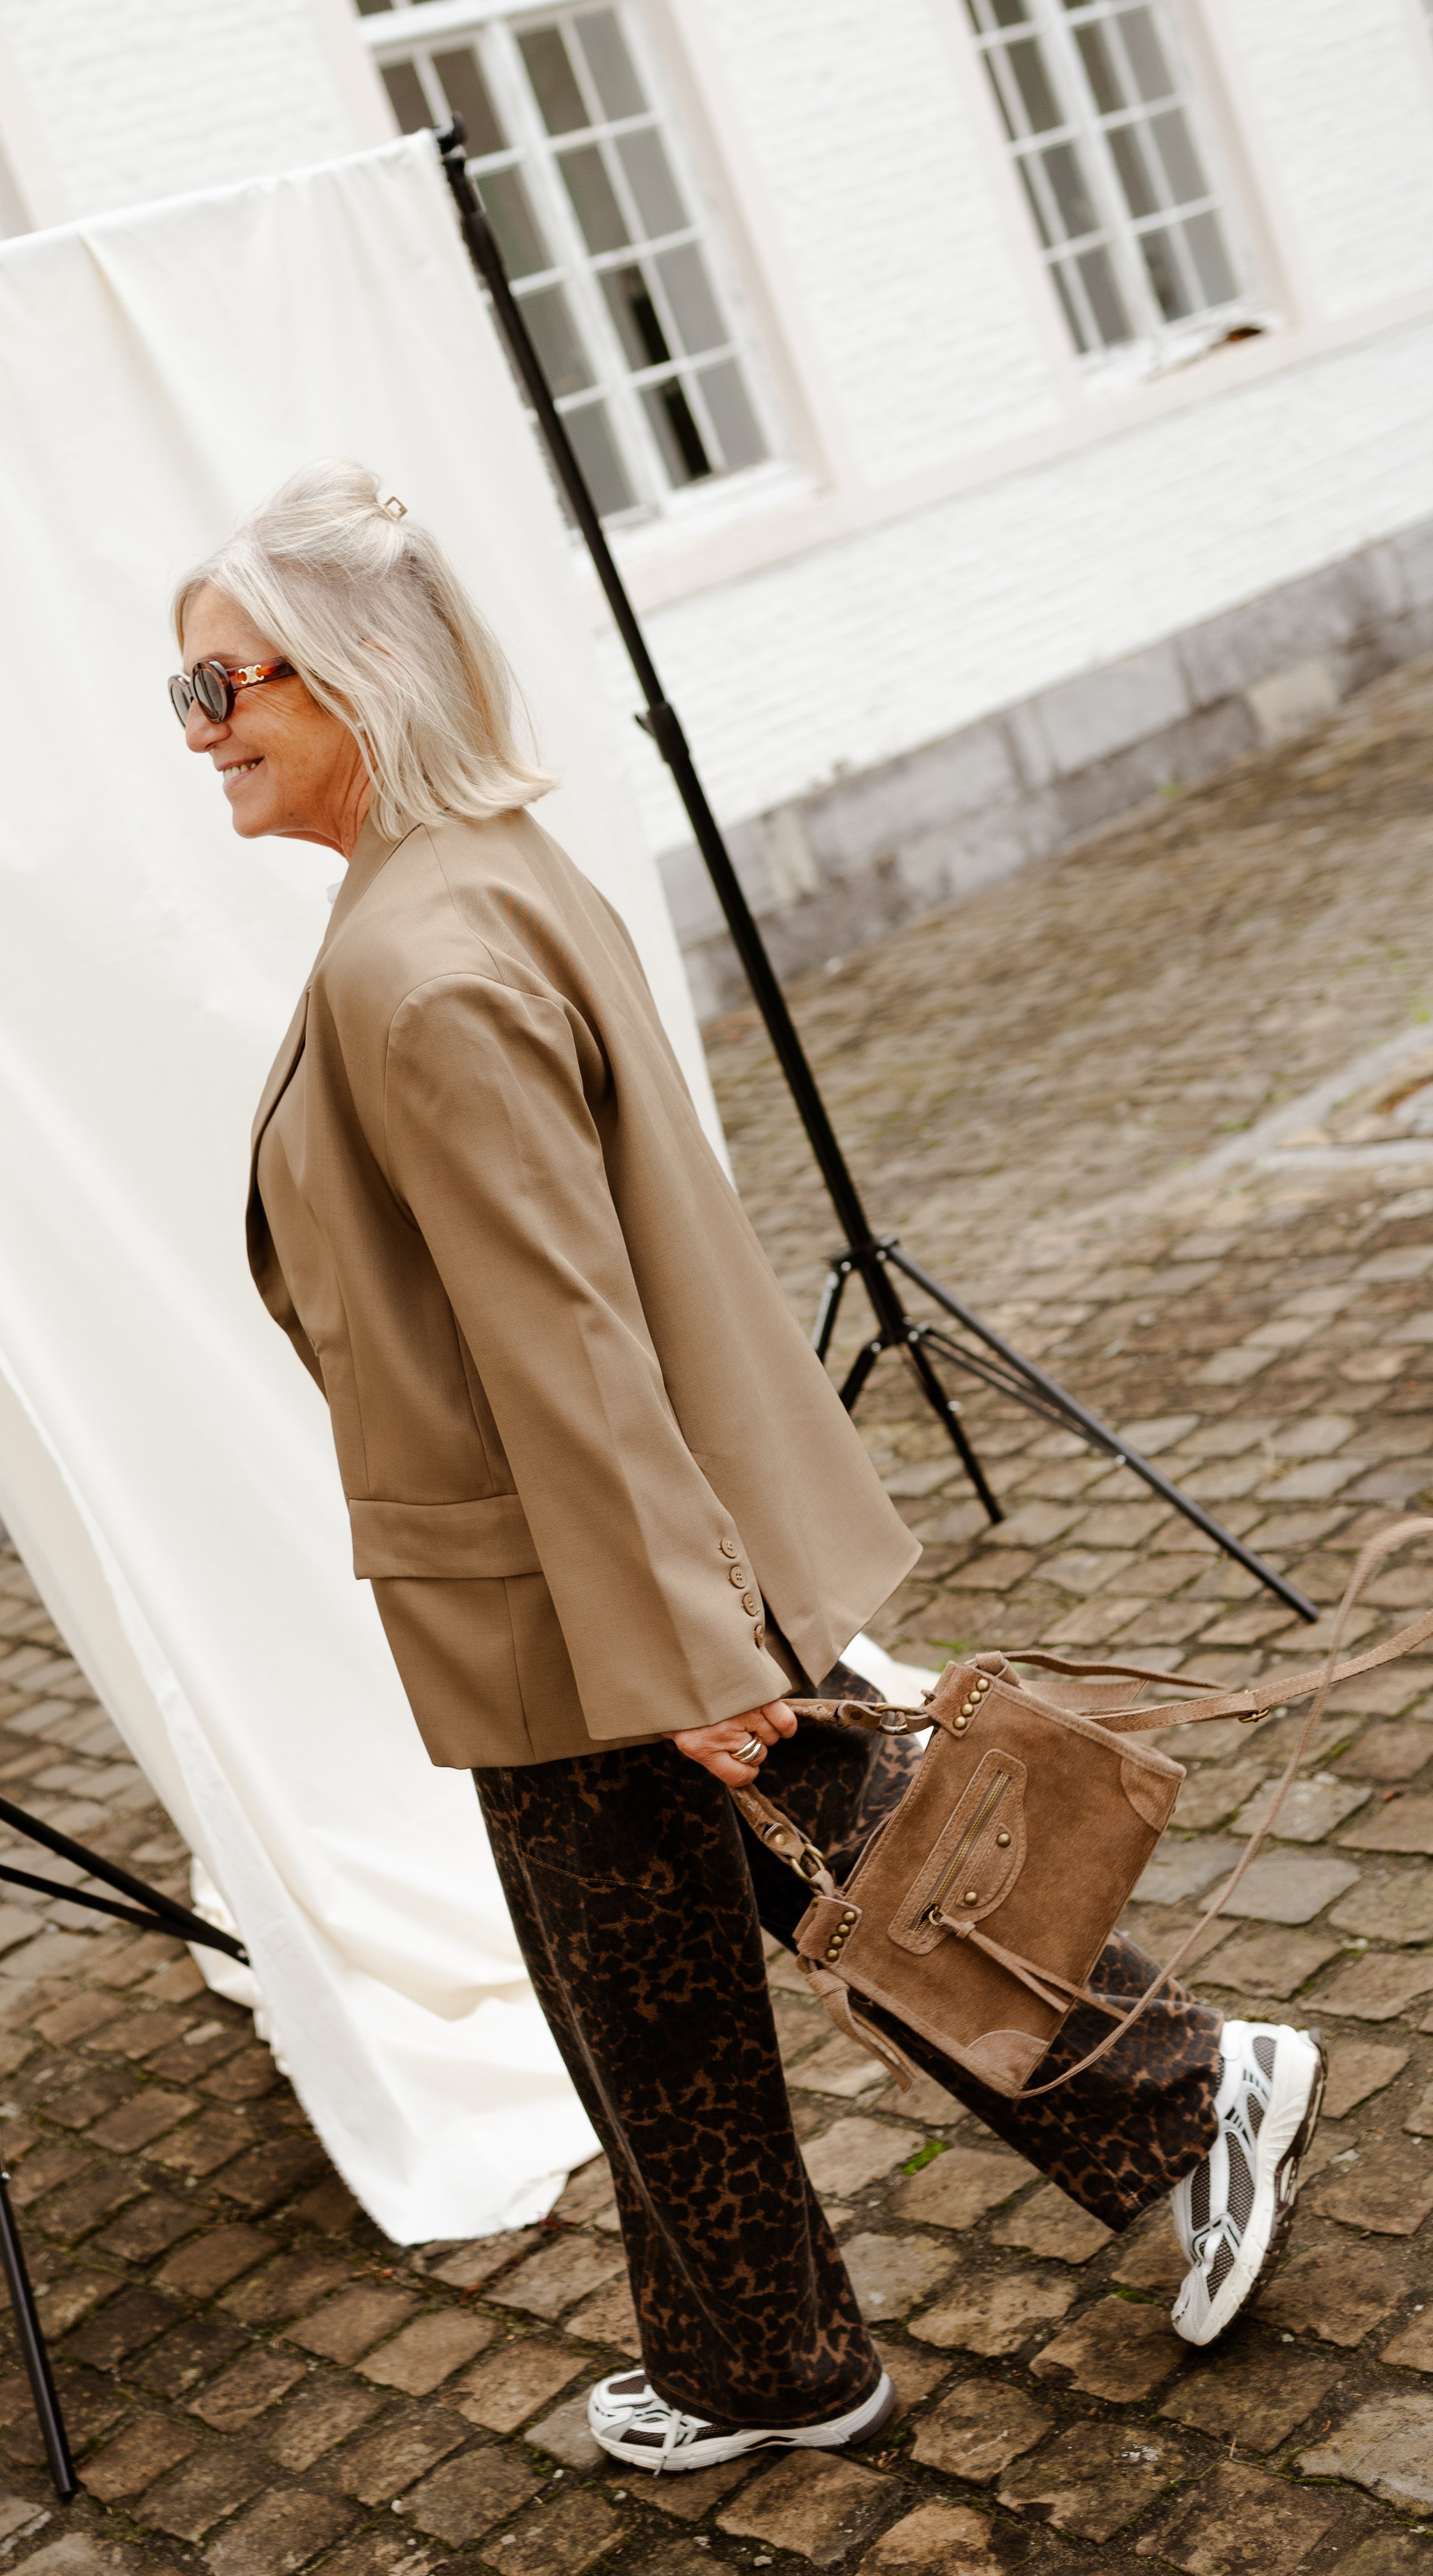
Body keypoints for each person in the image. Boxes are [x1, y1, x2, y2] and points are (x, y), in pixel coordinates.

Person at [170, 458, 1324, 2470]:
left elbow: (559, 1330)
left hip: (567, 1584)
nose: (197, 733)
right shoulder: (476, 874)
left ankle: (1161, 2107)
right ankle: (784, 2345)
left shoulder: (415, 964)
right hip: (595, 1558)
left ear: (351, 676)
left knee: (728, 1940)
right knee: (699, 1952)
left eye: (219, 687)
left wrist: (685, 1644)